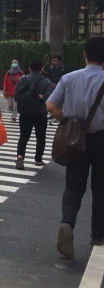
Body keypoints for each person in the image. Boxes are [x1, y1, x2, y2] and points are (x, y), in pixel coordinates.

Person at [46, 37, 104, 258]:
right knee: (101, 189)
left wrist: (65, 120)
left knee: (73, 186)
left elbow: (51, 104)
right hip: (101, 139)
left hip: (75, 140)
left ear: (85, 54)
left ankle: (67, 224)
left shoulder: (69, 78)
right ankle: (98, 234)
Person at [14, 60, 52, 170]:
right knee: (40, 137)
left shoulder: (21, 79)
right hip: (40, 112)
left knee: (24, 136)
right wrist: (42, 97)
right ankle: (38, 159)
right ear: (42, 69)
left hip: (25, 112)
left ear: (29, 68)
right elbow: (50, 95)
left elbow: (16, 97)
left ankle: (20, 156)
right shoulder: (46, 81)